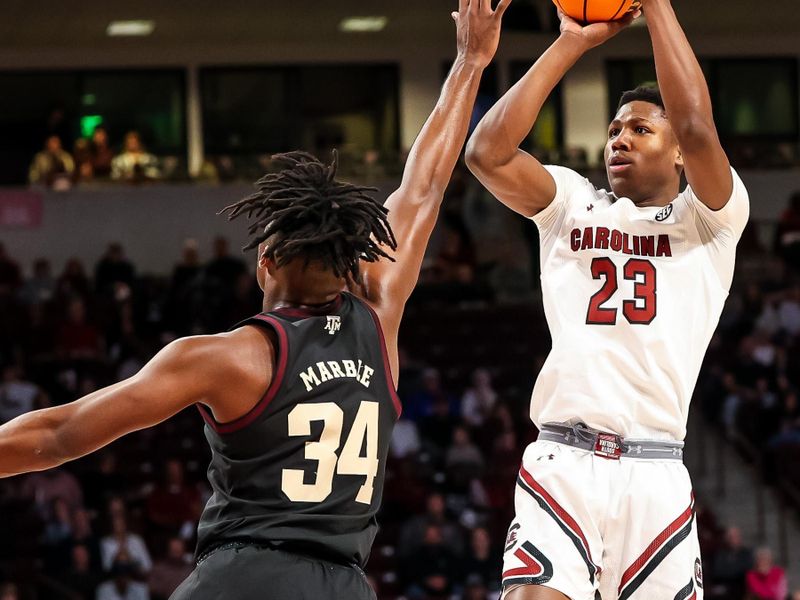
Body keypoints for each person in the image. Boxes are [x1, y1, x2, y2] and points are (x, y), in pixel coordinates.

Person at [0, 3, 510, 599]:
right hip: (346, 584)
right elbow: (423, 186)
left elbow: (62, 433)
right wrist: (471, 61)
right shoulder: (380, 315)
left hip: (246, 577)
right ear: (350, 263)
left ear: (264, 262)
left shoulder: (228, 357)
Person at [466, 0, 749, 598]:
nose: (619, 139)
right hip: (563, 460)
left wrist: (657, 7)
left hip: (655, 470)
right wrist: (571, 41)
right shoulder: (573, 202)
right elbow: (485, 154)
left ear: (677, 154)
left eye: (641, 129)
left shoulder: (711, 219)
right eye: (615, 129)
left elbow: (698, 127)